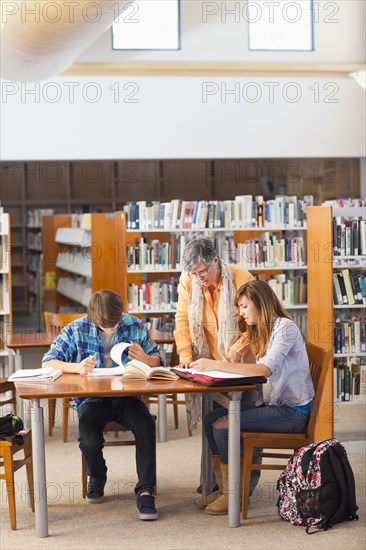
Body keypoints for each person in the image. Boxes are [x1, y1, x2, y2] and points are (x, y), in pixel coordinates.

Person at [190, 279, 315, 515]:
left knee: (222, 424)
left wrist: (215, 365)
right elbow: (255, 370)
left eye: (244, 306)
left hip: (293, 413)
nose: (241, 313)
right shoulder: (264, 330)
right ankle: (226, 488)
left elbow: (263, 371)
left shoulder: (285, 328)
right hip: (275, 404)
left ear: (261, 303)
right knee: (210, 419)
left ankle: (234, 495)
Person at [42, 289, 162, 521]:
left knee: (146, 425)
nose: (112, 329)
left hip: (127, 397)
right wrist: (76, 367)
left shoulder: (133, 324)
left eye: (115, 324)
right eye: (105, 326)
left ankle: (146, 490)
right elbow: (48, 362)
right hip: (92, 399)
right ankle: (97, 475)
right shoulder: (76, 329)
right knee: (88, 439)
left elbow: (158, 359)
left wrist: (145, 359)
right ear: (93, 318)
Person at [174, 237, 255, 505]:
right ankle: (216, 488)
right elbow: (183, 318)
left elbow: (257, 323)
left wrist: (239, 348)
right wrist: (186, 356)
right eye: (194, 274)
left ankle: (244, 491)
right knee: (213, 424)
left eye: (203, 272)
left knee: (245, 422)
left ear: (216, 262)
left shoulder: (242, 278)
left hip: (243, 365)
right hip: (207, 363)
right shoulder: (189, 280)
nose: (199, 278)